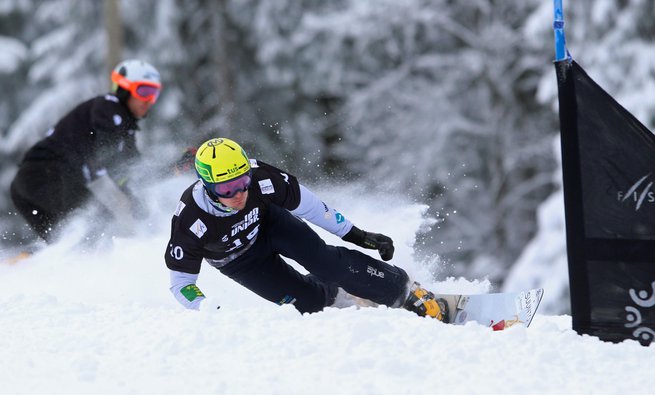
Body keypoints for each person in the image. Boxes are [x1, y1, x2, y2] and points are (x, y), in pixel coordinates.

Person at [165, 137, 449, 320]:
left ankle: (403, 290)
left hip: (271, 225)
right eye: (227, 188)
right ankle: (347, 298)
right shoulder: (191, 221)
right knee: (306, 302)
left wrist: (357, 235)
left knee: (328, 264)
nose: (239, 192)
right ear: (206, 184)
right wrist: (204, 307)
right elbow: (181, 285)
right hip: (238, 260)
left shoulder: (263, 178)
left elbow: (312, 208)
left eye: (243, 181)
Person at [10, 59, 162, 244]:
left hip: (28, 185)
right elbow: (113, 160)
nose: (148, 100)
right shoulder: (108, 107)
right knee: (96, 228)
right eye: (144, 91)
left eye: (154, 93)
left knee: (67, 244)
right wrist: (129, 190)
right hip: (45, 175)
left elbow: (134, 168)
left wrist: (137, 194)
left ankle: (25, 265)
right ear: (124, 88)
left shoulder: (122, 125)